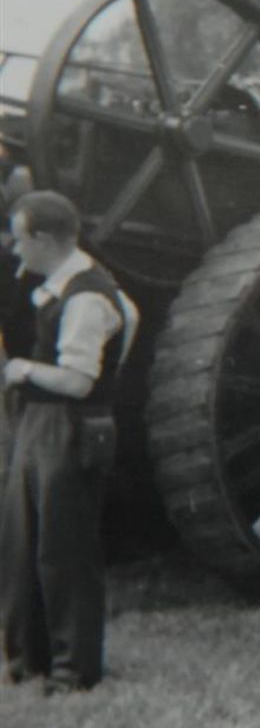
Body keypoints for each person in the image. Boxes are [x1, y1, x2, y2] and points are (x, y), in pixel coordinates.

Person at [0, 189, 138, 694]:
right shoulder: (66, 288)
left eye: (19, 240)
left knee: (63, 551)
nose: (15, 251)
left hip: (68, 427)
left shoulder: (86, 297)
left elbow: (79, 380)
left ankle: (72, 671)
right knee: (22, 546)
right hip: (39, 425)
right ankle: (27, 661)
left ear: (43, 239)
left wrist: (19, 369)